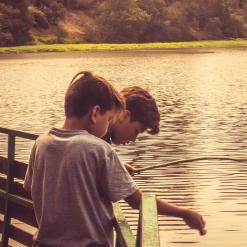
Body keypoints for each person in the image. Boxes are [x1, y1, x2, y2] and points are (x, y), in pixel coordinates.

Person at [24, 71, 206, 247]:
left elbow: (34, 188)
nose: (109, 123)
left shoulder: (41, 142)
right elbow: (136, 201)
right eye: (109, 118)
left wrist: (107, 172)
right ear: (95, 114)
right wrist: (184, 213)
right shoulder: (99, 150)